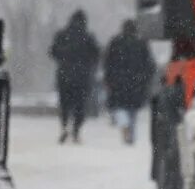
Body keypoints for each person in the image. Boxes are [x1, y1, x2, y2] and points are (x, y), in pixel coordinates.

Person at [50, 10, 101, 144]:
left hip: (64, 75)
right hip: (82, 77)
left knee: (64, 104)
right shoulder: (88, 37)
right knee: (80, 105)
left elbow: (53, 52)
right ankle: (76, 131)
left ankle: (64, 125)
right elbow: (96, 55)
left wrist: (64, 58)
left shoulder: (62, 35)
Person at [103, 19, 156, 145]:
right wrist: (146, 78)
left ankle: (125, 126)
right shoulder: (141, 43)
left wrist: (108, 78)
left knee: (120, 106)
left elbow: (107, 62)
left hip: (118, 81)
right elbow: (149, 64)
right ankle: (131, 132)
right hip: (136, 81)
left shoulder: (115, 42)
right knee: (133, 110)